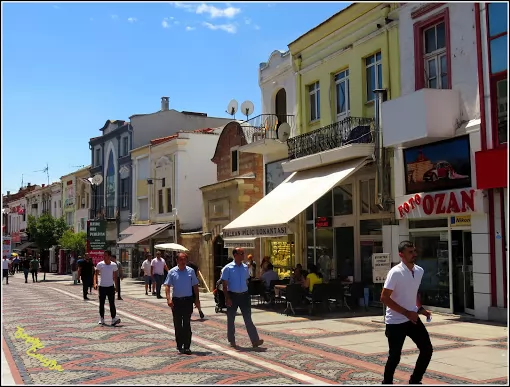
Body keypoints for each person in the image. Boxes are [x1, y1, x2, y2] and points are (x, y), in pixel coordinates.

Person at [380, 240, 433, 385]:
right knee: (395, 356)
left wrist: (420, 309)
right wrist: (406, 313)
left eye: (414, 251)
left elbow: (413, 292)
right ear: (401, 255)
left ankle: (415, 381)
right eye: (410, 252)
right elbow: (384, 298)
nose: (414, 254)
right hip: (395, 321)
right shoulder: (395, 272)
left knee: (427, 349)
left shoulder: (419, 271)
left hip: (412, 319)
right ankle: (387, 382)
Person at [221, 247, 264, 349]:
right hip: (232, 295)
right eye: (241, 254)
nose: (243, 256)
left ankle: (255, 340)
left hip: (244, 295)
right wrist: (227, 297)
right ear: (235, 255)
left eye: (243, 253)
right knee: (231, 319)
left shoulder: (245, 267)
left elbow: (247, 280)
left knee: (248, 319)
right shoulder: (228, 268)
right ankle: (231, 340)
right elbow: (224, 284)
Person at [164, 252, 200, 355]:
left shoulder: (191, 271)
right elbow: (167, 286)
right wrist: (168, 299)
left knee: (187, 324)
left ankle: (187, 346)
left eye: (185, 259)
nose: (183, 261)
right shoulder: (172, 272)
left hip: (188, 300)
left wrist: (197, 299)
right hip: (177, 301)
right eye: (181, 259)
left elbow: (195, 286)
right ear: (177, 261)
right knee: (178, 324)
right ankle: (179, 344)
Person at [93, 250, 121, 326]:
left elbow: (115, 276)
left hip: (110, 286)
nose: (104, 257)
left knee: (112, 303)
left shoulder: (113, 265)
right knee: (101, 303)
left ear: (109, 256)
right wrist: (95, 283)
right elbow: (95, 274)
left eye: (105, 255)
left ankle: (113, 318)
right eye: (103, 255)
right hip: (102, 286)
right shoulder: (100, 264)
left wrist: (116, 286)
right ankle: (101, 318)